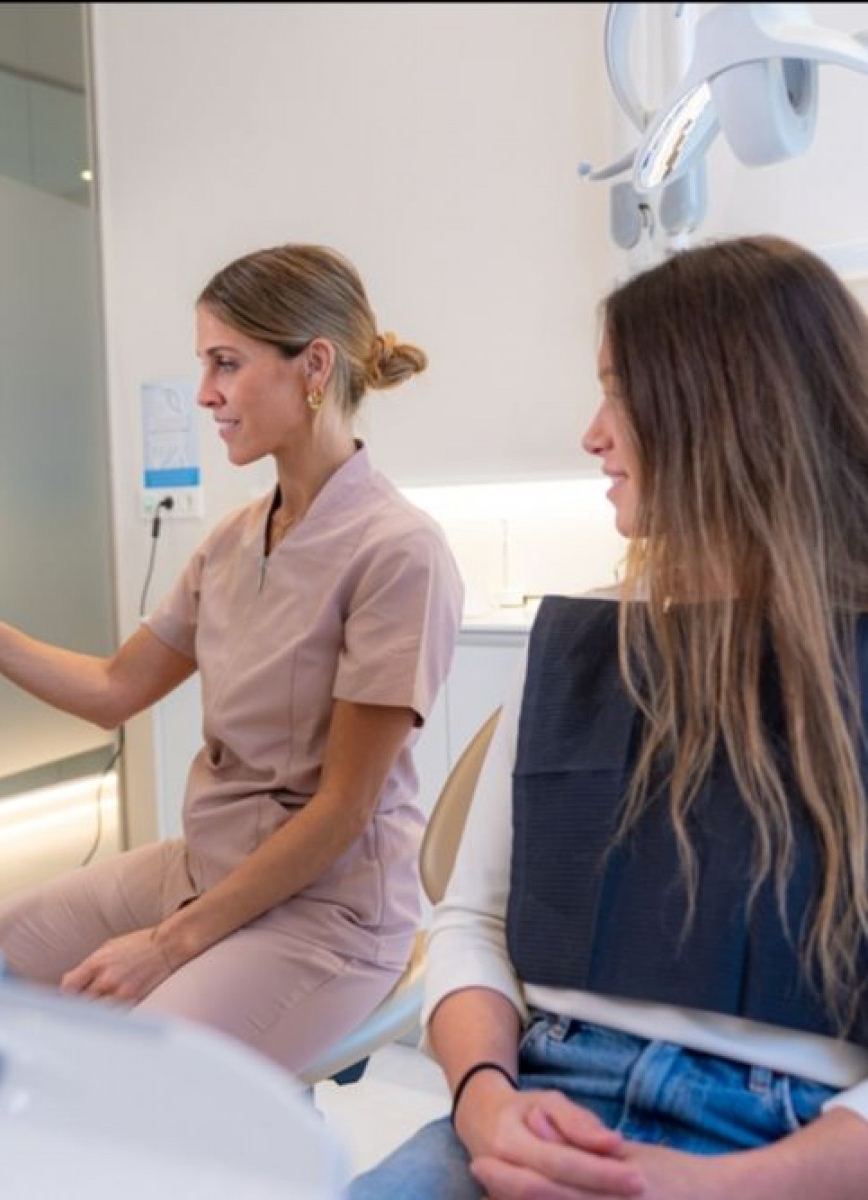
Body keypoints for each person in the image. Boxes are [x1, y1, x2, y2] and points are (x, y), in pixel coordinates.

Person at [0, 243, 465, 1075]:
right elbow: (113, 688)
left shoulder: (398, 552)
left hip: (328, 911)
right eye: (205, 364)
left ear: (314, 366)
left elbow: (342, 811)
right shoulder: (233, 540)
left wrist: (168, 946)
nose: (205, 392)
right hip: (203, 867)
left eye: (226, 363)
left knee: (131, 1075)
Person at [350, 234, 868, 1199]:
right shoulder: (581, 651)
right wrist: (484, 1100)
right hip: (541, 1093)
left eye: (620, 395)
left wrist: (718, 1187)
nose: (593, 435)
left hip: (793, 1137)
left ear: (724, 410)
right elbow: (472, 921)